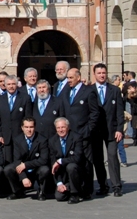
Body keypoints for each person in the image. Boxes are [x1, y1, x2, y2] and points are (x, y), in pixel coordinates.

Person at [61, 68, 99, 199]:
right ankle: (73, 187)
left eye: (71, 78)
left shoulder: (88, 91)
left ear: (78, 77)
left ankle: (87, 190)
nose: (69, 80)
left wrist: (88, 129)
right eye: (68, 78)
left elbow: (95, 113)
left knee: (87, 162)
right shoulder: (66, 92)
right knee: (72, 163)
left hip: (84, 134)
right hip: (69, 135)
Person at [91, 63, 124, 197]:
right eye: (99, 73)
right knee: (98, 159)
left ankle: (116, 186)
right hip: (96, 131)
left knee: (112, 156)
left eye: (103, 72)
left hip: (112, 130)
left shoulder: (114, 90)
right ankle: (103, 185)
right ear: (95, 74)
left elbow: (120, 112)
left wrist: (120, 129)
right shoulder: (90, 90)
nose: (102, 75)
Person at [3, 117, 49, 201]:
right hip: (21, 167)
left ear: (35, 127)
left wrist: (26, 165)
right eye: (26, 127)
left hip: (36, 167)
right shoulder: (17, 140)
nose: (29, 130)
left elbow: (44, 159)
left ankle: (41, 191)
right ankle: (17, 192)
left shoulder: (42, 140)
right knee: (8, 169)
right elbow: (17, 160)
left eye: (31, 127)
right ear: (22, 128)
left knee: (45, 169)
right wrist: (23, 177)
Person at [0, 75, 32, 164]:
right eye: (9, 84)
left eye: (13, 84)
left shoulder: (25, 98)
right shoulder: (0, 99)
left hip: (20, 135)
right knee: (8, 162)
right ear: (5, 85)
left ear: (17, 84)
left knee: (20, 161)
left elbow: (28, 117)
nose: (11, 86)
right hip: (5, 137)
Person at [49, 117, 84, 204]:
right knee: (59, 197)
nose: (61, 130)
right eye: (58, 128)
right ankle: (68, 187)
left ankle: (75, 194)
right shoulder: (52, 141)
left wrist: (60, 161)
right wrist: (59, 183)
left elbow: (77, 158)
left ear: (68, 127)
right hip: (63, 175)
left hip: (77, 171)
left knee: (71, 166)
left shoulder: (76, 137)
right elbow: (53, 164)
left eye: (63, 127)